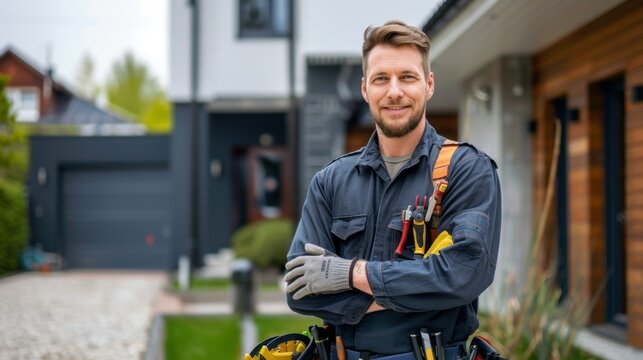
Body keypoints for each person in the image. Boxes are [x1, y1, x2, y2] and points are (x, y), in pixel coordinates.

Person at [285, 20, 501, 360]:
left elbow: (463, 275)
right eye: (381, 78)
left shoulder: (467, 169)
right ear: (364, 89)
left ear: (428, 85)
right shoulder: (331, 181)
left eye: (408, 77)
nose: (394, 91)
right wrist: (421, 294)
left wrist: (351, 273)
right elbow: (300, 292)